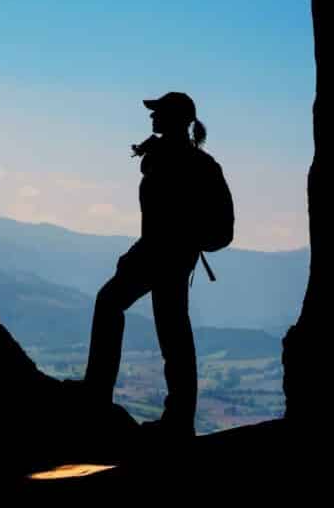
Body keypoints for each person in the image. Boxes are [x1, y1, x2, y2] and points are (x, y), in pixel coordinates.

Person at [82, 91, 215, 441]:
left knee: (114, 305)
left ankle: (98, 396)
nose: (151, 117)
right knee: (174, 335)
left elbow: (164, 223)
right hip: (168, 257)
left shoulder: (175, 160)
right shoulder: (185, 160)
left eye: (158, 113)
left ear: (174, 119)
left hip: (161, 256)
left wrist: (149, 251)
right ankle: (178, 420)